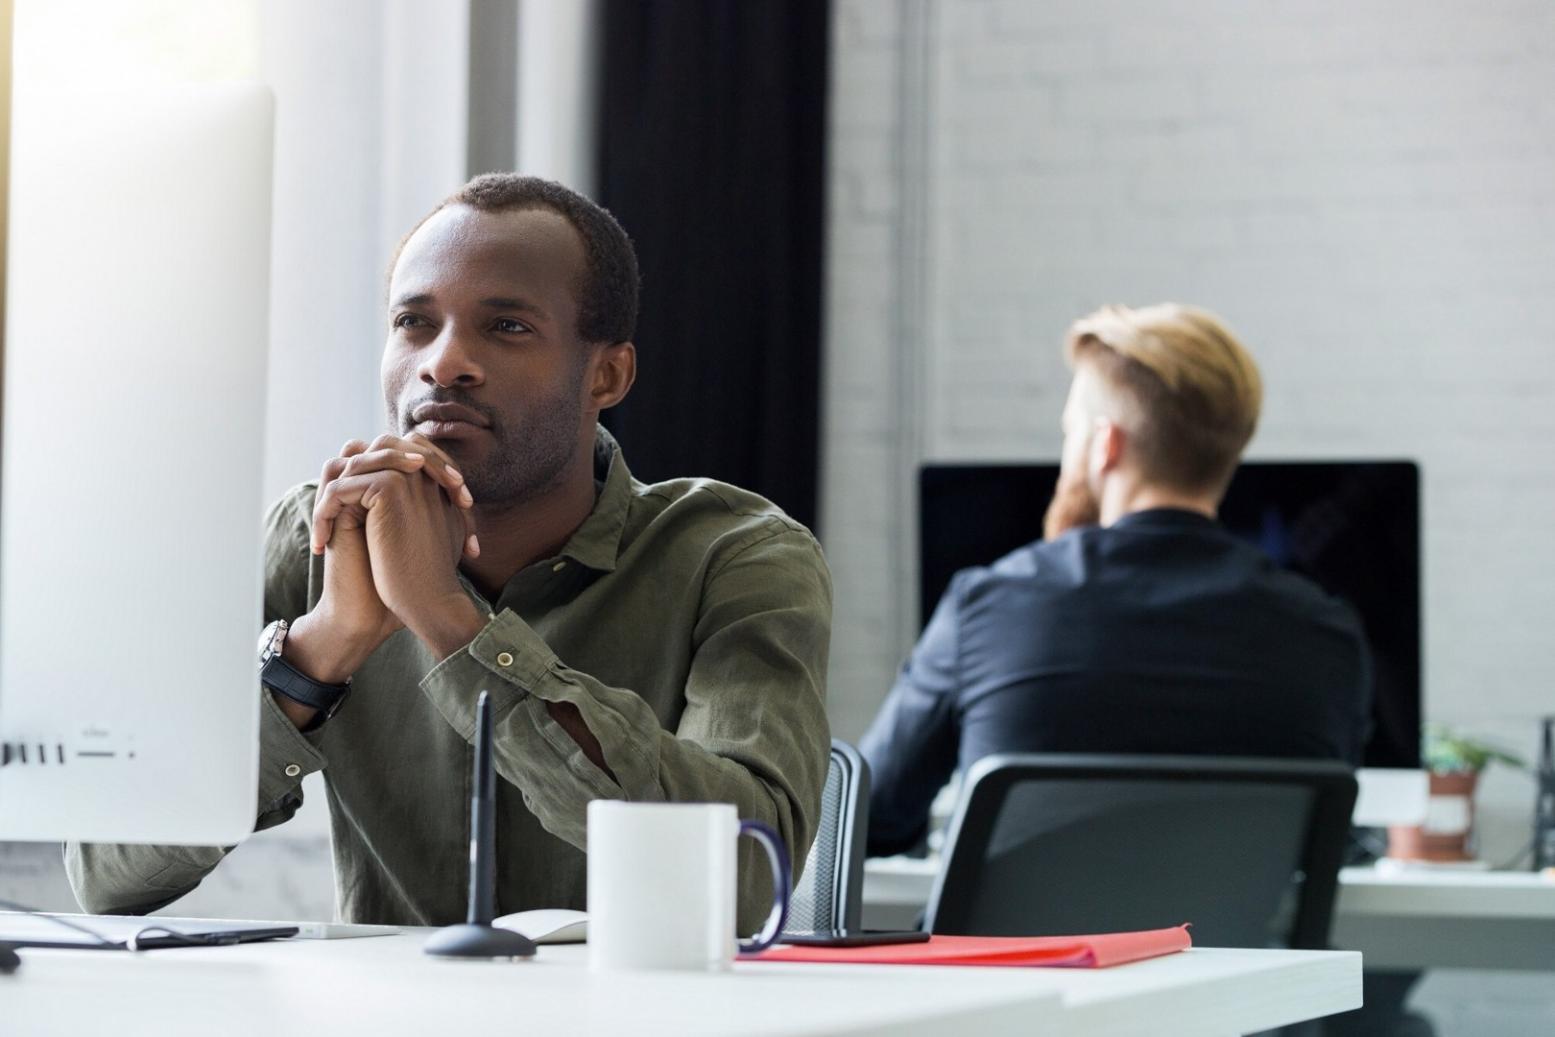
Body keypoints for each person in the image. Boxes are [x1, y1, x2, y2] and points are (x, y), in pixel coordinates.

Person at [66, 175, 832, 932]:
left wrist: (450, 622)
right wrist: (322, 646)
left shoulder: (737, 555)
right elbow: (104, 873)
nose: (444, 362)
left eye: (506, 327)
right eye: (413, 322)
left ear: (607, 374)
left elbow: (748, 881)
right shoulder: (312, 542)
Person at [859, 302, 1371, 857]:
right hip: (1227, 947)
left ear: (1105, 444)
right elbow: (1323, 840)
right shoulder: (1326, 633)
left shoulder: (989, 605)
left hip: (1025, 947)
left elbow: (871, 817)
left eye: (1070, 432)